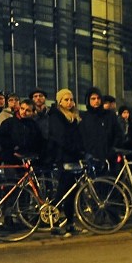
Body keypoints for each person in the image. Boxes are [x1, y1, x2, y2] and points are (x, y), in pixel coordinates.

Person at [46, 88, 85, 237]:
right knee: (62, 192)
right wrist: (76, 150)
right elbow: (61, 138)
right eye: (66, 99)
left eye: (71, 99)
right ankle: (54, 223)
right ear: (59, 101)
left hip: (73, 157)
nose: (69, 102)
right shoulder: (56, 116)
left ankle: (70, 223)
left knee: (72, 192)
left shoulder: (73, 117)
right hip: (64, 157)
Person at [78, 87, 122, 171]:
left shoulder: (109, 115)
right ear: (88, 100)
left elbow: (118, 134)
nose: (96, 101)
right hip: (92, 158)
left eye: (98, 98)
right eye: (93, 99)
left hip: (109, 158)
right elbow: (82, 137)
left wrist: (113, 150)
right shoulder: (84, 117)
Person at [0, 99, 45, 163]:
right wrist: (13, 147)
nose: (24, 112)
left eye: (28, 110)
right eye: (22, 108)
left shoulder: (34, 125)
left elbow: (39, 141)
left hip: (29, 158)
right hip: (11, 158)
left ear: (33, 112)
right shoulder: (9, 122)